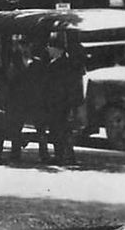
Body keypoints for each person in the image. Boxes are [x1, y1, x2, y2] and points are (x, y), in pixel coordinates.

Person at [43, 36, 84, 165]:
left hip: (59, 103)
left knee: (59, 130)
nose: (48, 49)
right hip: (64, 103)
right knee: (64, 130)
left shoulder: (59, 65)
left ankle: (62, 156)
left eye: (50, 47)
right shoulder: (69, 63)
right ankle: (66, 155)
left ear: (56, 49)